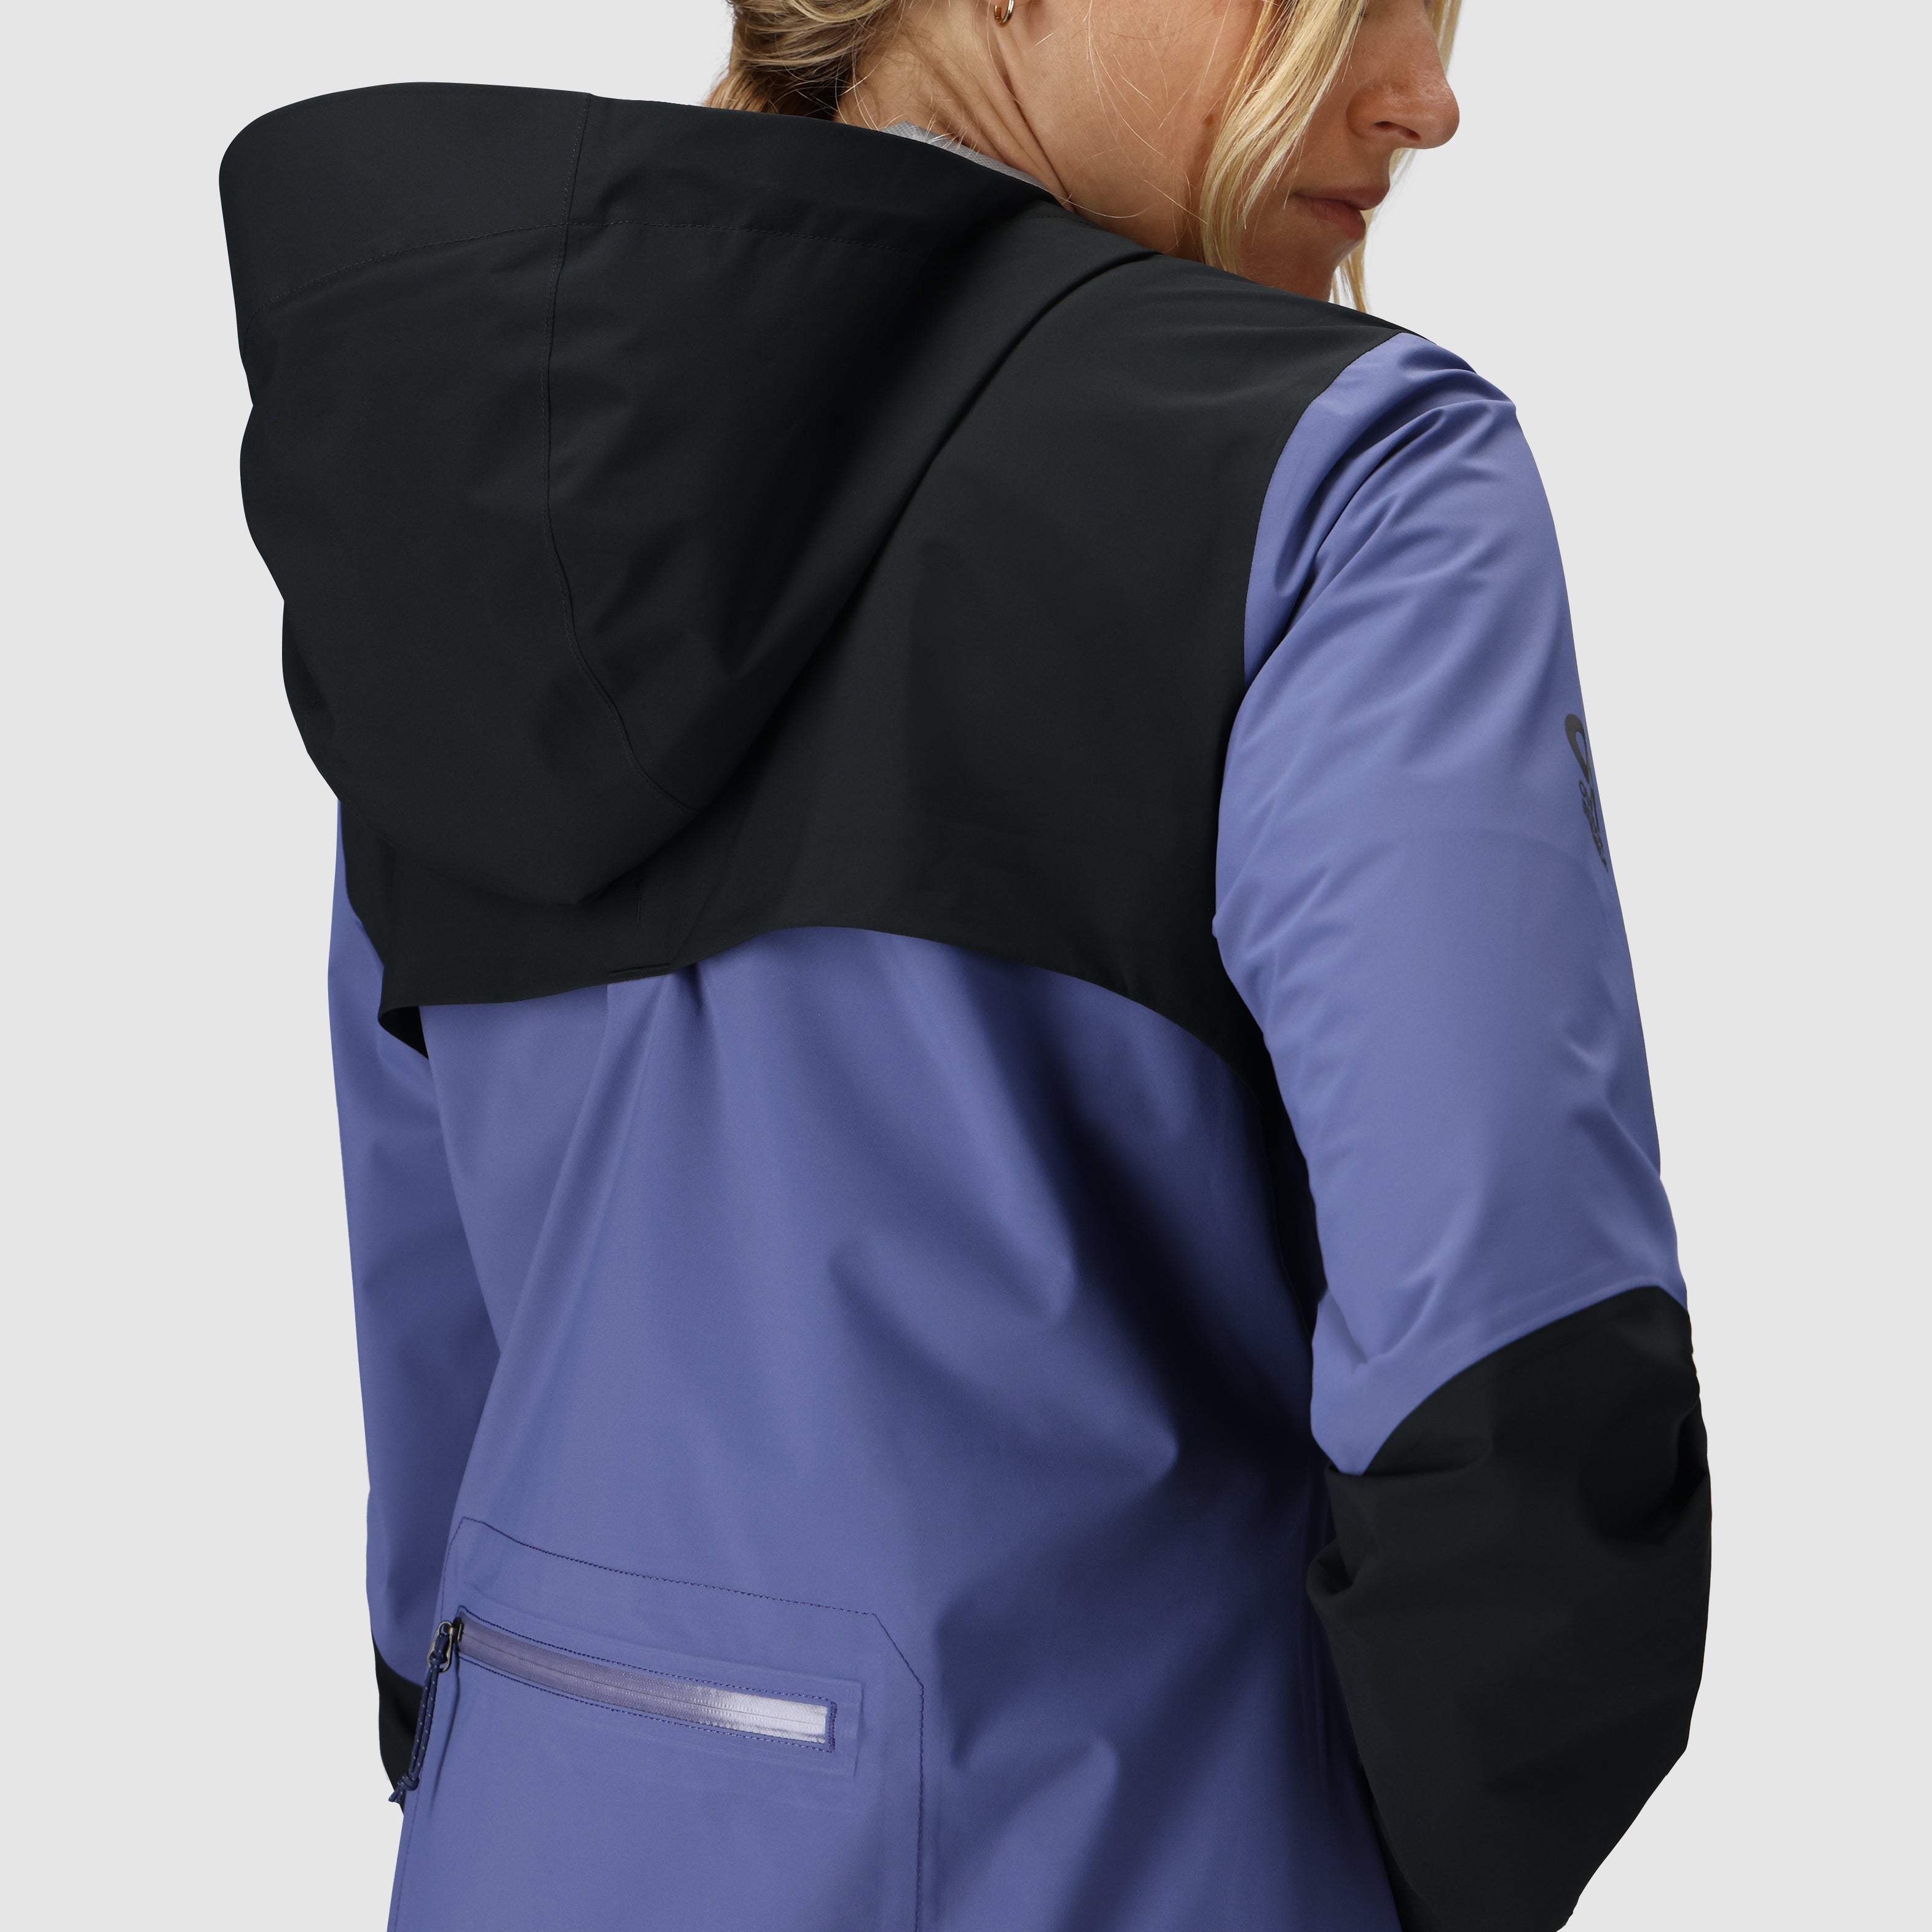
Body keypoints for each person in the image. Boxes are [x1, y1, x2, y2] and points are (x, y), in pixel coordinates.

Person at [219, 2, 1708, 1927]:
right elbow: (1516, 1386)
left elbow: (433, 1330)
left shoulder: (470, 457)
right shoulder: (1347, 476)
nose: (1424, 96)